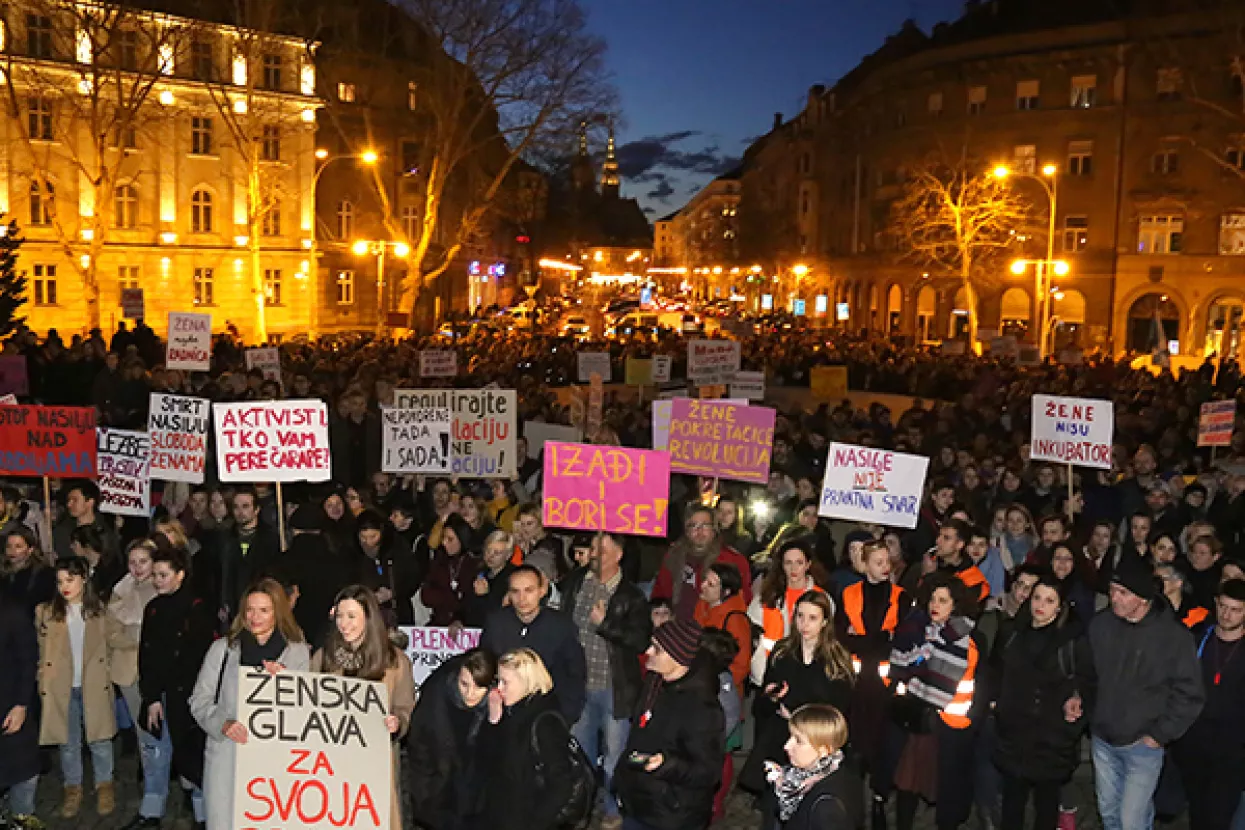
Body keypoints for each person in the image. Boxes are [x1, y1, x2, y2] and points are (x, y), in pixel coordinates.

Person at [1083, 551, 1205, 830]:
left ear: (1143, 598)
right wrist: (1086, 706)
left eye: (1123, 593)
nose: (1115, 598)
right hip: (1103, 738)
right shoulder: (1101, 625)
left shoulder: (1173, 637)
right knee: (1109, 813)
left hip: (1143, 745)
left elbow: (1189, 693)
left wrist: (1160, 734)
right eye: (1112, 591)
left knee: (1132, 820)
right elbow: (1087, 673)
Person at [189, 578, 311, 830]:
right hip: (227, 758)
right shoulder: (222, 649)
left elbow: (304, 712)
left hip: (274, 763)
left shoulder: (298, 653)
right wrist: (222, 723)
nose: (255, 617)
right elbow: (199, 699)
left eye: (264, 610)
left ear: (278, 612)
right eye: (250, 609)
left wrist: (285, 682)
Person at [562, 530, 652, 828]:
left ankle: (614, 810)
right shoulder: (576, 584)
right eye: (594, 547)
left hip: (615, 690)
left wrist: (606, 625)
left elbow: (640, 640)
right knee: (580, 755)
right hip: (578, 686)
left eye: (603, 547)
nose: (596, 553)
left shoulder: (631, 595)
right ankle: (581, 807)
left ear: (619, 554)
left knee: (615, 757)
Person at [991, 574, 1094, 830]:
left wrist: (1076, 703)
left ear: (1059, 607)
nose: (1041, 605)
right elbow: (994, 672)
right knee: (1012, 806)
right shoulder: (1011, 632)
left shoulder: (1072, 641)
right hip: (1014, 735)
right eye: (1037, 597)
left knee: (1046, 807)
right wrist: (996, 707)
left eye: (1049, 600)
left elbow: (1087, 680)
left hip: (1051, 739)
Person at [883, 571, 982, 830]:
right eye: (933, 599)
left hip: (946, 727)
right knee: (908, 783)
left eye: (943, 601)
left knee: (941, 790)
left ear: (956, 605)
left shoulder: (965, 643)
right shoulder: (921, 631)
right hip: (915, 719)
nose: (935, 606)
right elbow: (901, 666)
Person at [127, 540, 216, 830]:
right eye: (155, 575)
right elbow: (147, 655)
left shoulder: (197, 608)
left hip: (187, 696)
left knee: (193, 756)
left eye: (163, 575)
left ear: (180, 574)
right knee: (155, 753)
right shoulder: (153, 608)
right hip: (159, 694)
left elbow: (198, 657)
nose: (157, 581)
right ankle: (151, 810)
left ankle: (204, 815)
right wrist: (151, 696)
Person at [312, 585, 416, 830]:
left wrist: (397, 722)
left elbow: (405, 706)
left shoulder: (394, 661)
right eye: (339, 616)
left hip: (375, 760)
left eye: (351, 616)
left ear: (368, 619)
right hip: (332, 760)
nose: (344, 624)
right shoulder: (324, 656)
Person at [741, 591, 854, 812]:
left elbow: (839, 712)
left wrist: (797, 714)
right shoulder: (783, 652)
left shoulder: (836, 661)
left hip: (816, 746)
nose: (804, 624)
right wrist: (772, 697)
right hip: (780, 740)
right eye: (800, 616)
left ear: (825, 622)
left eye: (812, 618)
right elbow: (761, 705)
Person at [37, 556, 128, 818]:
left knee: (99, 738)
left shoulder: (98, 611)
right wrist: (43, 676)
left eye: (70, 579)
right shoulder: (46, 612)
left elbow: (114, 640)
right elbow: (42, 651)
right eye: (60, 581)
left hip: (93, 683)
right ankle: (72, 787)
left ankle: (104, 784)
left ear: (83, 579)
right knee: (68, 741)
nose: (65, 586)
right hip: (61, 686)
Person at [616, 620, 724, 830]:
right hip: (640, 803)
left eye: (657, 649)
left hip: (672, 815)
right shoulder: (654, 683)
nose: (648, 651)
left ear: (678, 657)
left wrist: (667, 765)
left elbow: (708, 772)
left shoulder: (702, 708)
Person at [837, 539, 908, 811]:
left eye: (887, 561)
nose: (885, 567)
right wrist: (877, 639)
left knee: (882, 743)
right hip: (855, 681)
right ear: (864, 564)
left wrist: (868, 639)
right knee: (855, 742)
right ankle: (852, 798)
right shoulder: (849, 593)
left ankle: (879, 797)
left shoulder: (900, 596)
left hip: (884, 683)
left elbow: (898, 639)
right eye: (878, 562)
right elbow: (842, 636)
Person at [1171, 579, 1245, 830]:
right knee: (1198, 811)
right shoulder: (1198, 639)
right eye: (1223, 607)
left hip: (1232, 751)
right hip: (1195, 744)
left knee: (1219, 816)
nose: (1227, 614)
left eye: (1236, 609)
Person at [475, 648, 576, 830]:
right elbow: (484, 759)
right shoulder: (511, 711)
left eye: (506, 682)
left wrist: (534, 824)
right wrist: (493, 720)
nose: (499, 689)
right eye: (498, 681)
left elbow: (560, 784)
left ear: (527, 682)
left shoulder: (545, 722)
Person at [481, 564, 587, 722]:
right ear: (509, 594)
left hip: (548, 714)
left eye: (528, 590)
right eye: (515, 591)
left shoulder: (561, 626)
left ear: (541, 591)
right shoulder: (496, 623)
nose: (522, 598)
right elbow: (485, 666)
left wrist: (567, 715)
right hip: (505, 714)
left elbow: (575, 673)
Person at [407, 649, 498, 830]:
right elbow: (419, 748)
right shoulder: (435, 697)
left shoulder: (498, 705)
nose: (470, 693)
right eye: (464, 684)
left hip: (478, 800)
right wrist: (425, 797)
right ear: (457, 676)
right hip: (439, 794)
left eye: (479, 687)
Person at [765, 704, 863, 830]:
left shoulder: (828, 806)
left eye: (798, 741)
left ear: (823, 751)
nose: (787, 746)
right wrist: (781, 781)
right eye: (790, 736)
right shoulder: (807, 776)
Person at [748, 539, 830, 685]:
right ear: (781, 565)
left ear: (808, 564)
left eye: (799, 562)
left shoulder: (823, 599)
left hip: (807, 679)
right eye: (788, 563)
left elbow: (827, 640)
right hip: (767, 674)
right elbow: (751, 638)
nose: (793, 568)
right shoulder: (765, 598)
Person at [651, 503, 752, 621]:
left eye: (705, 525)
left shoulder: (732, 560)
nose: (699, 531)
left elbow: (743, 600)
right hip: (676, 625)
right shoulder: (673, 556)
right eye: (693, 526)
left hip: (712, 630)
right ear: (686, 531)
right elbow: (660, 593)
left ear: (714, 530)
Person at [0, 573, 39, 827]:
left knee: (23, 769)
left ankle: (22, 818)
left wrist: (21, 704)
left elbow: (27, 661)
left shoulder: (11, 612)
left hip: (10, 700)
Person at [219, 487, 282, 622]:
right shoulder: (225, 539)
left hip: (261, 608)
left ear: (257, 509)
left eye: (246, 506)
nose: (240, 512)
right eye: (236, 507)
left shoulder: (271, 540)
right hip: (232, 611)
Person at [693, 562, 752, 694]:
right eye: (704, 580)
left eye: (710, 584)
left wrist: (715, 686)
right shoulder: (702, 606)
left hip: (721, 690)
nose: (702, 586)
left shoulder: (735, 620)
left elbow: (741, 665)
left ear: (726, 592)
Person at [421, 513, 480, 626]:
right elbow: (426, 596)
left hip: (465, 625)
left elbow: (470, 601)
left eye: (450, 539)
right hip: (438, 623)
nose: (444, 543)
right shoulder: (439, 561)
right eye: (443, 538)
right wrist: (452, 597)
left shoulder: (473, 564)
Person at [463, 530, 516, 628]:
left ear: (508, 555)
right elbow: (465, 604)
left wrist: (484, 596)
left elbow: (502, 614)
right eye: (488, 551)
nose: (490, 556)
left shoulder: (515, 578)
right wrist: (458, 620)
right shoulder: (479, 572)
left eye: (497, 553)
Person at [1, 527, 55, 619]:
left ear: (30, 550)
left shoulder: (44, 574)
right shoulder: (3, 572)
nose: (12, 551)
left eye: (18, 546)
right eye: (9, 546)